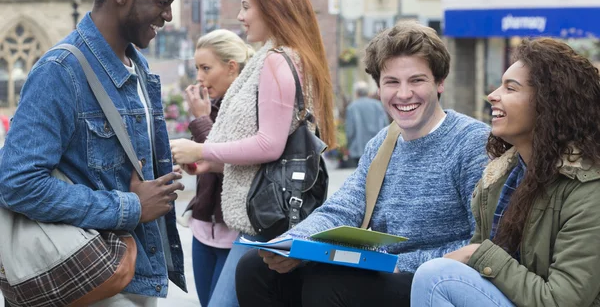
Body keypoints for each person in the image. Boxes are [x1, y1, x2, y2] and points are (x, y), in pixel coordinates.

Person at [234, 21, 491, 307]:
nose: (403, 94)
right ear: (379, 87)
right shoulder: (383, 142)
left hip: (436, 277)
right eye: (392, 82)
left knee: (331, 285)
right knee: (254, 269)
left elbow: (483, 244)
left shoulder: (472, 142)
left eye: (417, 81)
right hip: (380, 269)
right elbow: (343, 208)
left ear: (440, 82)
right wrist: (293, 243)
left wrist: (397, 263)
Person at [0, 0, 186, 306]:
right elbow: (16, 183)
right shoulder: (60, 70)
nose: (168, 15)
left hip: (132, 274)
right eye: (162, 1)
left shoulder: (139, 68)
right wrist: (130, 207)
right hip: (84, 276)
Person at [170, 0, 336, 307]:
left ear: (271, 6)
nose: (240, 16)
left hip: (262, 215)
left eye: (246, 7)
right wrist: (209, 163)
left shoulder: (278, 61)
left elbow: (269, 144)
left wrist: (200, 147)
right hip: (269, 210)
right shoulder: (287, 57)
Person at [411, 38, 600, 307]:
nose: (493, 95)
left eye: (511, 88)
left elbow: (562, 300)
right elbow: (473, 273)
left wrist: (480, 254)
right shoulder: (499, 179)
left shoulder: (588, 188)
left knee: (437, 277)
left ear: (549, 103)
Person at [180, 29, 255, 307]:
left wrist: (200, 118)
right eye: (197, 68)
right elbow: (208, 159)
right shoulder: (211, 105)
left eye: (206, 68)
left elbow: (229, 158)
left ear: (231, 68)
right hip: (203, 227)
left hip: (232, 231)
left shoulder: (247, 106)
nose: (199, 76)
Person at [345, 80, 389, 167]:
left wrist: (349, 144)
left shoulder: (352, 107)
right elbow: (386, 124)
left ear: (356, 93)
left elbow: (350, 130)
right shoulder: (378, 105)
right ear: (367, 92)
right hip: (378, 148)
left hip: (358, 149)